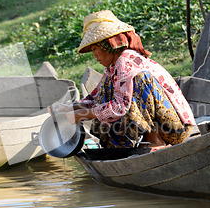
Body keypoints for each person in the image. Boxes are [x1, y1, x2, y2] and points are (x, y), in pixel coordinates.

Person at [51, 10, 196, 150]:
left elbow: (120, 107)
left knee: (140, 79)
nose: (94, 55)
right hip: (166, 127)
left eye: (95, 48)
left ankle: (154, 139)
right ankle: (137, 141)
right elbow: (95, 98)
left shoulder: (126, 61)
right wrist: (69, 108)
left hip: (175, 130)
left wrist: (80, 115)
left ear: (106, 45)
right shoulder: (112, 68)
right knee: (107, 89)